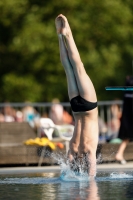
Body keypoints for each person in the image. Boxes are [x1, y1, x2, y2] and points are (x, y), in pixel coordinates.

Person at [55, 14, 99, 177]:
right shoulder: (72, 150)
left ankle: (68, 34)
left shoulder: (89, 151)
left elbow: (91, 175)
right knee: (69, 68)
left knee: (78, 67)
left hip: (88, 107)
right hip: (76, 108)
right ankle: (60, 36)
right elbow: (64, 173)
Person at [115, 76, 133, 164]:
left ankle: (119, 153)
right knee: (127, 136)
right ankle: (119, 154)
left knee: (127, 136)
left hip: (127, 113)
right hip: (129, 113)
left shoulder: (128, 82)